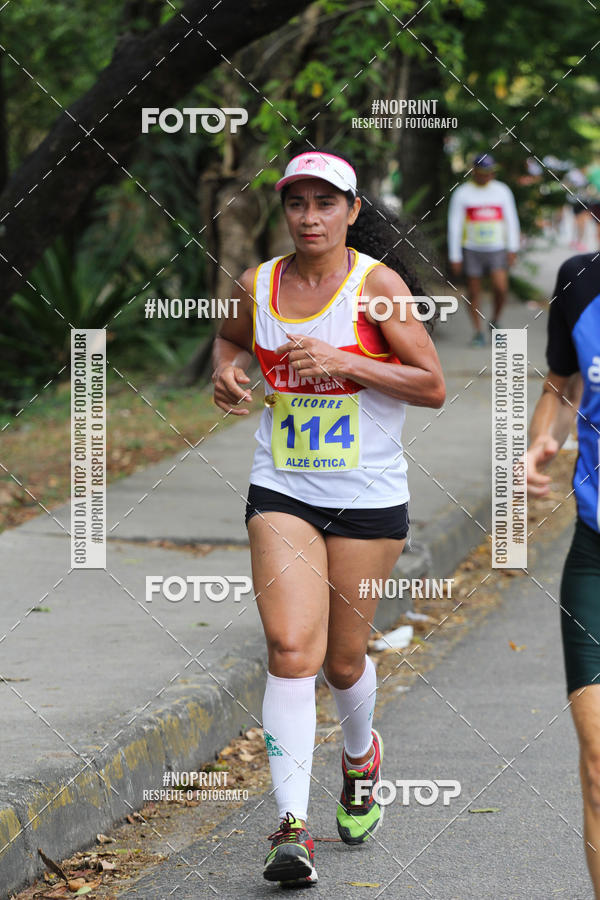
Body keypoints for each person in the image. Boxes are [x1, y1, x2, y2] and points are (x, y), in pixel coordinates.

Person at [212, 149, 446, 886]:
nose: (309, 217)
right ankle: (291, 829)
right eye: (297, 203)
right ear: (285, 210)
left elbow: (431, 384)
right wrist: (227, 371)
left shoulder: (377, 287)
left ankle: (360, 755)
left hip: (367, 497)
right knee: (290, 649)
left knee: (343, 663)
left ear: (351, 210)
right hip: (282, 488)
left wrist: (348, 364)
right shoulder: (259, 283)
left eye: (325, 203)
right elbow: (230, 339)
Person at [526, 253, 600, 897]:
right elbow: (558, 381)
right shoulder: (580, 281)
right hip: (594, 558)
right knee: (598, 767)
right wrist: (536, 444)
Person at [447, 153, 521, 346]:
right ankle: (478, 331)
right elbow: (454, 226)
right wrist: (455, 256)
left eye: (490, 172)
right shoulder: (462, 193)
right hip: (472, 249)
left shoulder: (502, 191)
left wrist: (513, 248)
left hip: (497, 248)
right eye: (483, 172)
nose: (487, 176)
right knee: (474, 292)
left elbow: (511, 220)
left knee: (501, 288)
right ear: (474, 172)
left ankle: (495, 319)